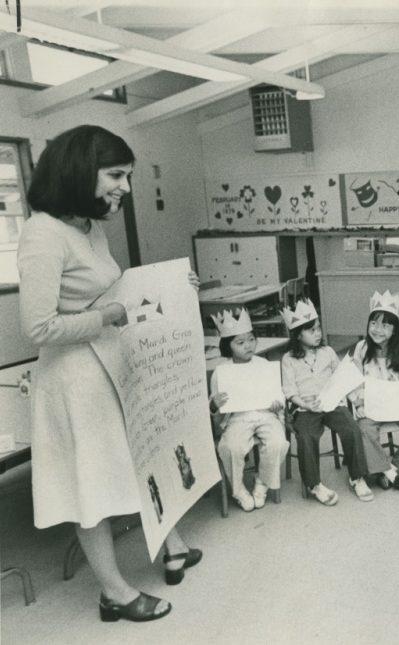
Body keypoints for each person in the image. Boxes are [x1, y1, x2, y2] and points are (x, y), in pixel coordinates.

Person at [17, 125, 200, 622]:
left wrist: (175, 286)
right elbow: (37, 327)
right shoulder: (43, 233)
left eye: (129, 176)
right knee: (92, 486)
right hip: (74, 381)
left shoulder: (88, 226)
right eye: (116, 175)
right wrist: (105, 319)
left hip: (108, 368)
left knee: (137, 460)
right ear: (80, 170)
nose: (125, 187)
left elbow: (115, 288)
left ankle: (172, 544)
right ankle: (114, 592)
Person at [280, 299, 373, 504]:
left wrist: (354, 400)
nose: (318, 333)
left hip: (331, 403)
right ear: (297, 335)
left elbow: (341, 378)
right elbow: (289, 390)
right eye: (311, 330)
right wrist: (304, 404)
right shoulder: (288, 359)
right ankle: (314, 485)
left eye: (319, 328)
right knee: (306, 436)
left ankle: (357, 477)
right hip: (304, 408)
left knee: (351, 428)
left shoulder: (328, 352)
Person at [209, 308, 290, 512]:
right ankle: (238, 490)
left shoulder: (263, 364)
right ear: (228, 346)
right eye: (240, 342)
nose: (248, 346)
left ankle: (262, 481)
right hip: (238, 418)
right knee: (231, 447)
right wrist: (214, 404)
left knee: (278, 443)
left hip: (265, 414)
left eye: (251, 340)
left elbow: (278, 393)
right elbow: (214, 405)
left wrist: (277, 403)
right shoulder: (221, 372)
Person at [350, 290, 399, 495]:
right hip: (372, 405)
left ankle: (391, 469)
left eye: (385, 325)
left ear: (395, 329)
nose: (378, 329)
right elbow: (353, 381)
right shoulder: (361, 348)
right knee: (365, 430)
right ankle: (394, 475)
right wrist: (359, 404)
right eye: (374, 323)